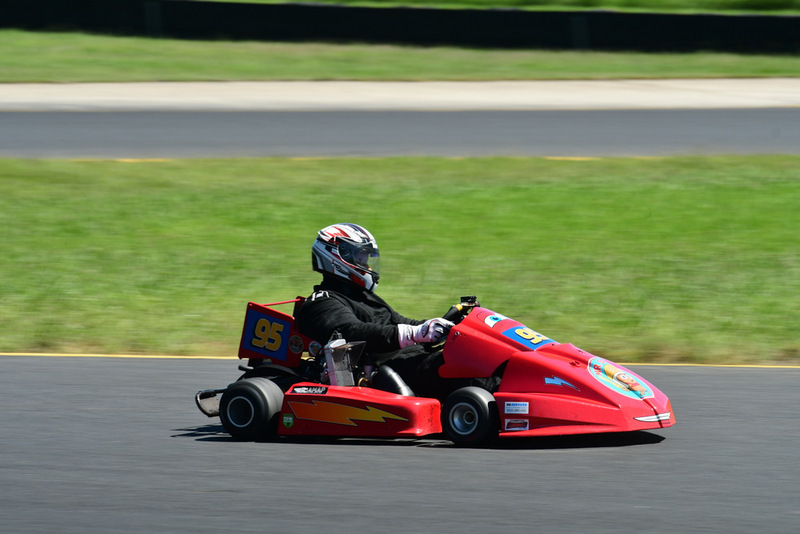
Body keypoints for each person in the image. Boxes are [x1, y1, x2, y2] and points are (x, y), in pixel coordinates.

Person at [295, 223, 454, 398]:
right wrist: (413, 334)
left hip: (412, 359)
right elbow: (351, 332)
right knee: (461, 368)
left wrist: (443, 326)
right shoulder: (322, 301)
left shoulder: (361, 295)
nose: (368, 266)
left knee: (472, 355)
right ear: (339, 257)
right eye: (361, 258)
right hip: (389, 369)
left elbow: (399, 322)